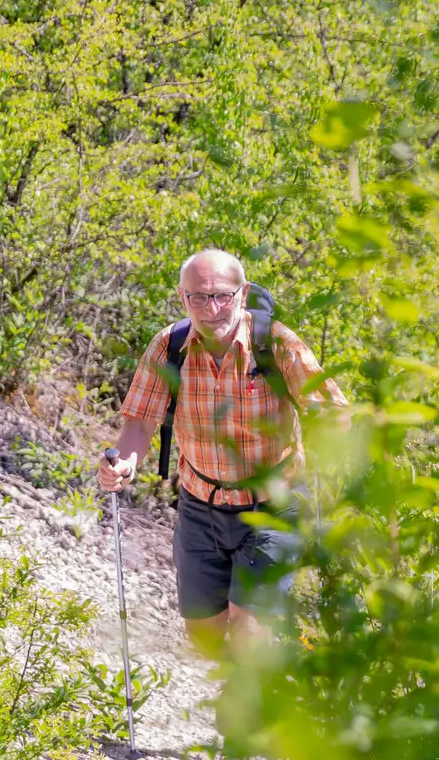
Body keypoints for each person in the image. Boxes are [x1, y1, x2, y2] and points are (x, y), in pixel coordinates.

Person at [99, 249, 348, 658]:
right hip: (199, 506)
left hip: (272, 507)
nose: (211, 308)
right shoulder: (170, 347)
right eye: (199, 297)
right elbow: (140, 422)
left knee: (250, 634)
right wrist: (123, 463)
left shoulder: (276, 344)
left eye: (222, 296)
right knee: (206, 640)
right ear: (183, 298)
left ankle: (256, 708)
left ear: (243, 292)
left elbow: (333, 414)